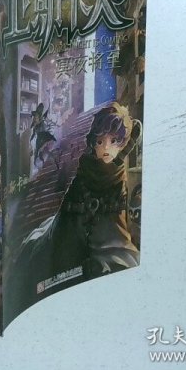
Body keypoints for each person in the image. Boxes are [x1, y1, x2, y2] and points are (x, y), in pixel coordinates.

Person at [19, 101, 141, 293]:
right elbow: (66, 219)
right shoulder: (84, 167)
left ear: (121, 143)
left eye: (113, 141)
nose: (106, 147)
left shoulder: (118, 174)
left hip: (107, 232)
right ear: (93, 143)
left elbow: (117, 221)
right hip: (72, 230)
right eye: (100, 142)